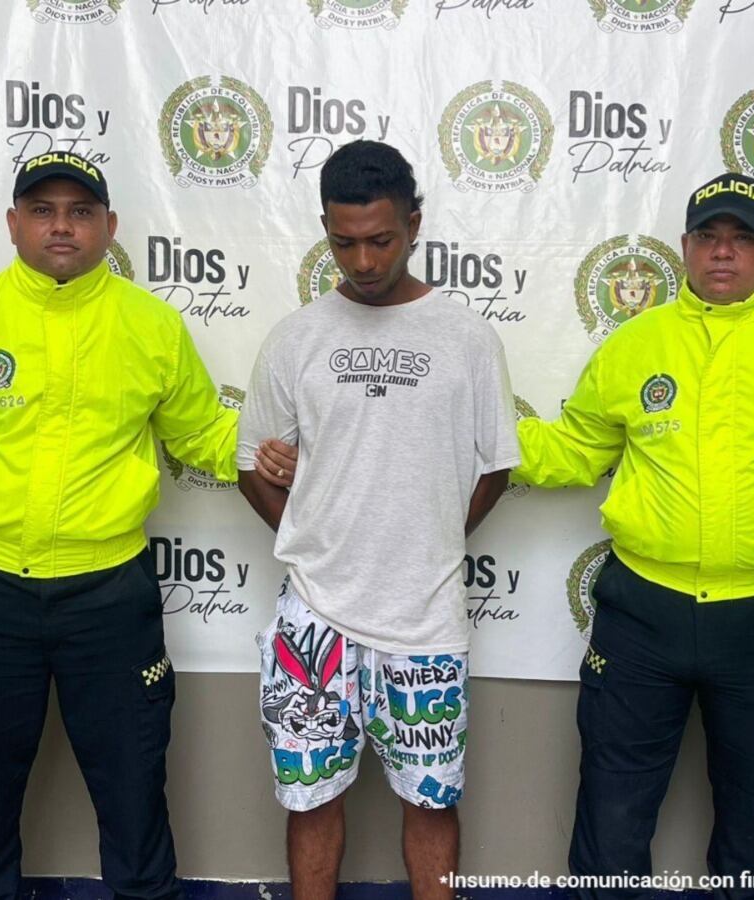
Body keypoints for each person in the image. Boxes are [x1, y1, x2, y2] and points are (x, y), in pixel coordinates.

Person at [515, 173, 754, 898]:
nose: (724, 253)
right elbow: (576, 450)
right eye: (709, 238)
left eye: (743, 238)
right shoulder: (636, 344)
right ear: (684, 248)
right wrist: (476, 434)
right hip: (640, 613)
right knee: (611, 812)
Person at [0, 152, 238, 900]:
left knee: (134, 782)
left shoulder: (151, 326)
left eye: (80, 212)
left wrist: (286, 448)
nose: (61, 226)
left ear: (109, 227)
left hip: (110, 594)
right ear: (13, 222)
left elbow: (203, 436)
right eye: (43, 210)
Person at [237, 140, 520, 900]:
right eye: (343, 242)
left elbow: (496, 466)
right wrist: (320, 540)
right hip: (312, 620)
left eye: (381, 240)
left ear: (415, 224)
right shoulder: (297, 338)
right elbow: (247, 465)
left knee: (431, 798)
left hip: (424, 617)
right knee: (310, 797)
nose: (362, 260)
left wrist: (428, 539)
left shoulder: (465, 338)